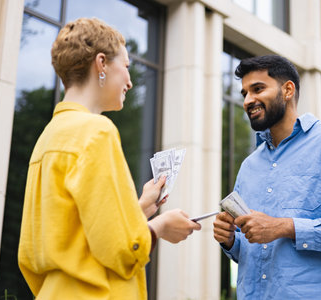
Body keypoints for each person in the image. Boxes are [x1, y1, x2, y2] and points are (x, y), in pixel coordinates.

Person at [18, 18, 201, 300]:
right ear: (101, 63)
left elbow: (65, 241)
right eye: (126, 67)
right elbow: (123, 250)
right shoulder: (97, 130)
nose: (129, 81)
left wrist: (137, 209)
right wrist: (161, 227)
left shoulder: (48, 138)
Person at [213, 55, 321, 299]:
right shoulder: (249, 166)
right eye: (244, 94)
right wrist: (230, 241)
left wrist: (284, 227)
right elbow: (254, 251)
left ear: (288, 90)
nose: (248, 100)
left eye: (258, 89)